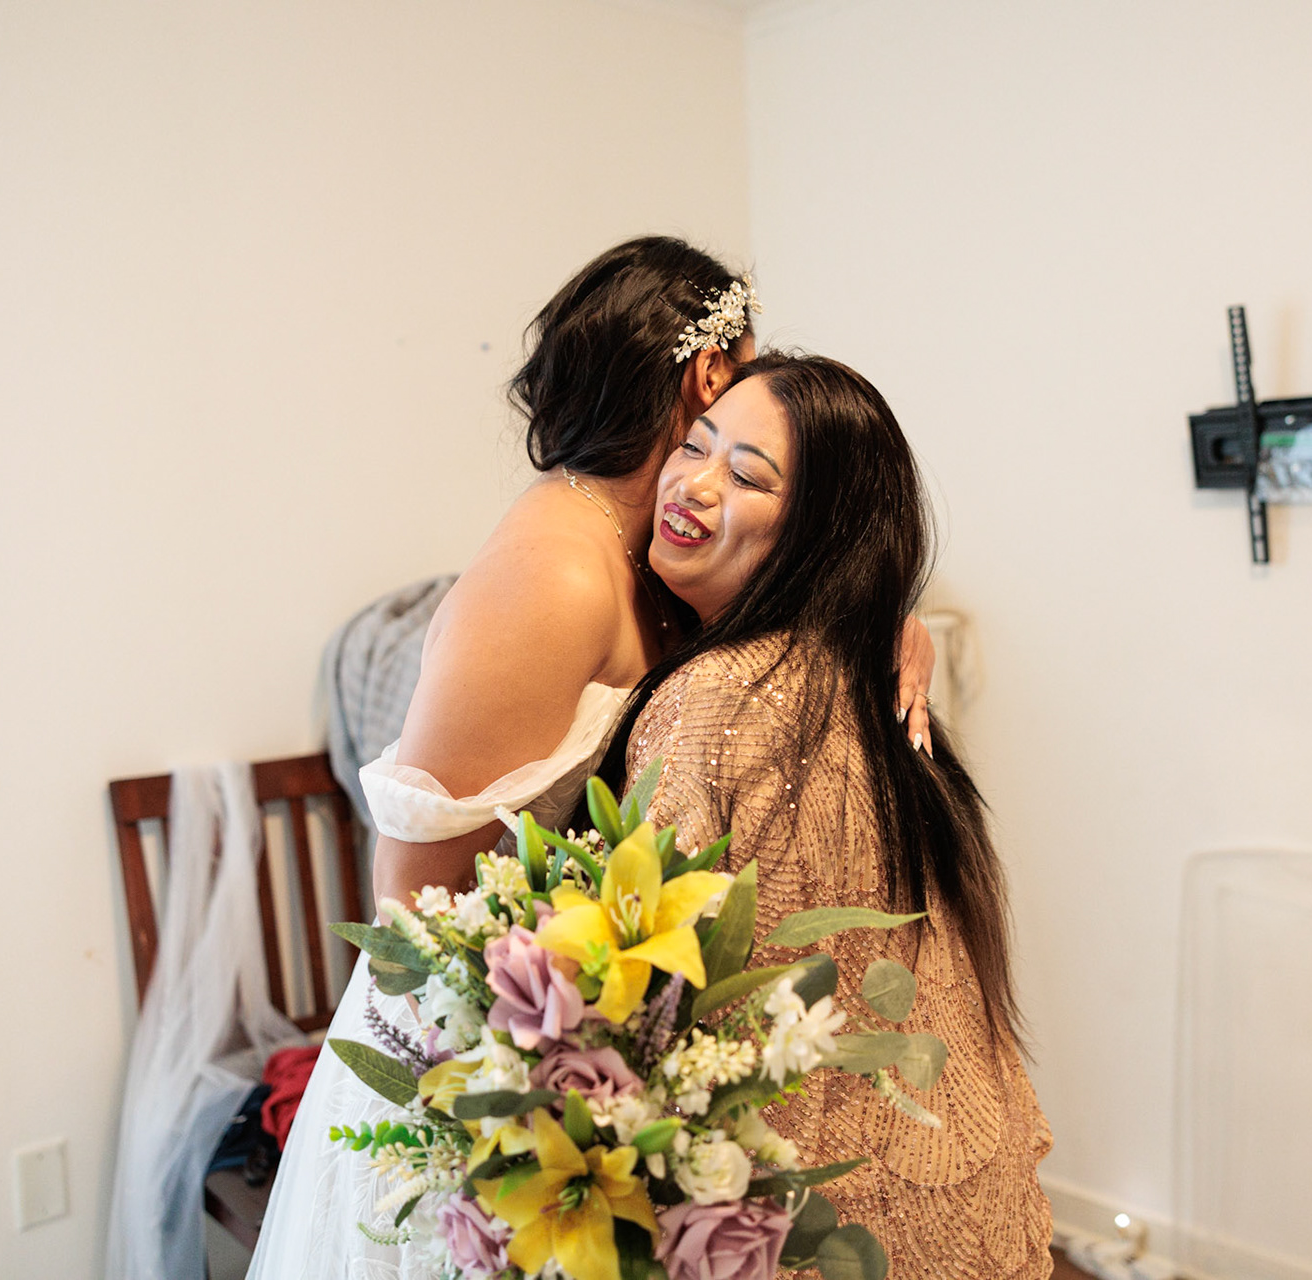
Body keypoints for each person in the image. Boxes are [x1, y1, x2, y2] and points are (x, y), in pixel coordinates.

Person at [247, 240, 936, 1278]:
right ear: (711, 370)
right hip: (484, 1079)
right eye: (742, 378)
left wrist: (885, 621)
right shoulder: (559, 572)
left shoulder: (641, 542)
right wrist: (542, 1107)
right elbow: (410, 908)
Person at [604, 353, 1056, 1278]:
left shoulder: (718, 699)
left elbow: (656, 992)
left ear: (816, 533)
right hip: (950, 1184)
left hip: (808, 1215)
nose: (694, 485)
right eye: (694, 446)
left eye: (748, 477)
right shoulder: (853, 670)